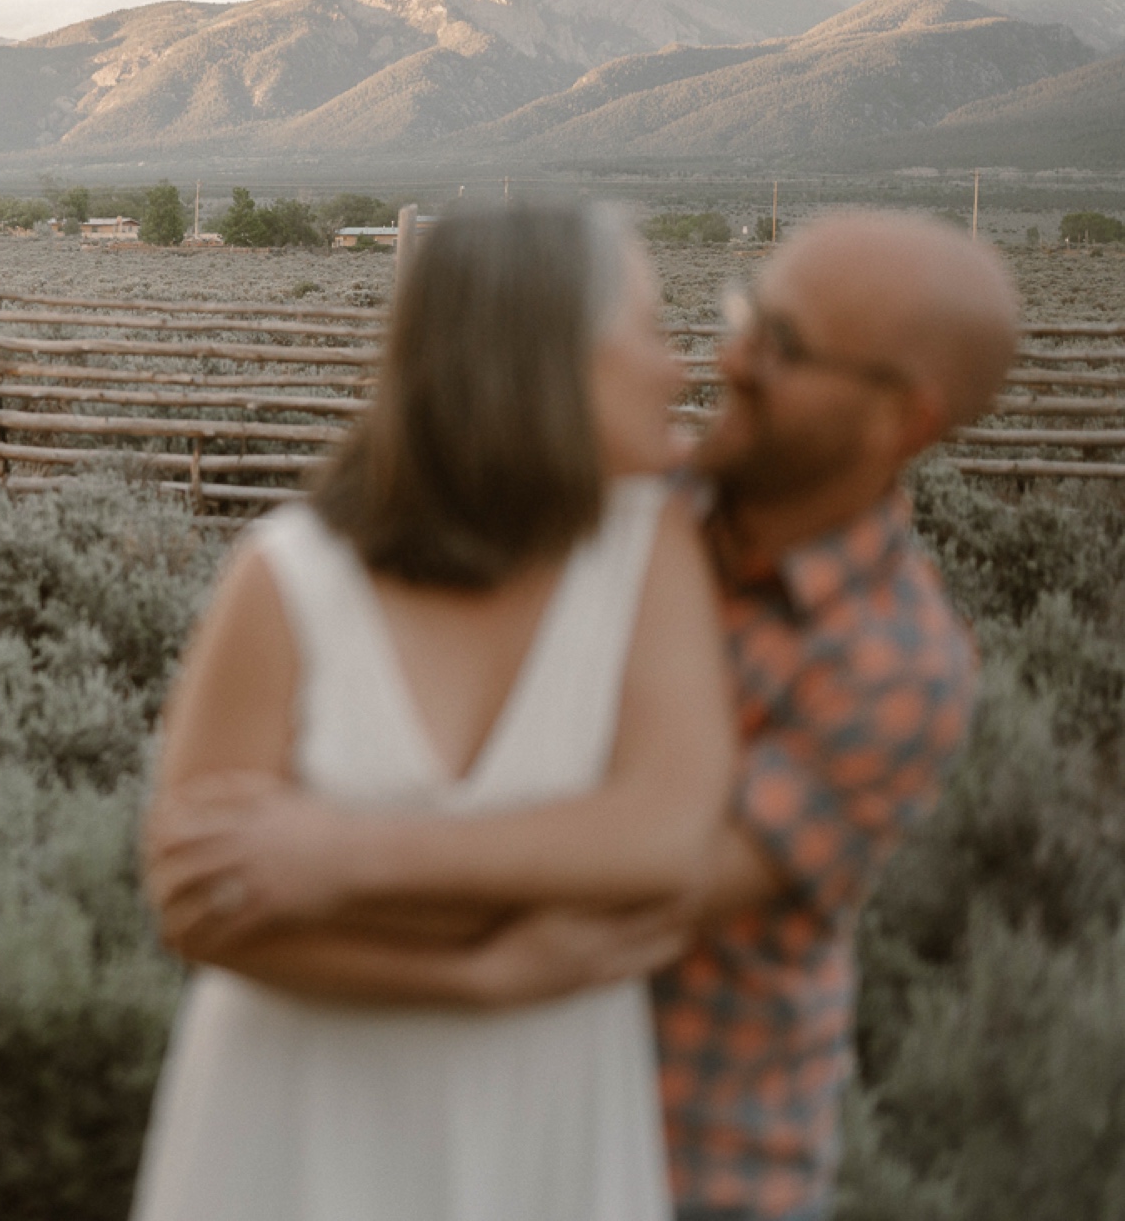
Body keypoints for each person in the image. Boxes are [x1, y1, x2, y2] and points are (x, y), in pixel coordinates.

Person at [147, 211, 1019, 1221]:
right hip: (353, 1093)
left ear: (897, 420)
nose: (717, 361)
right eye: (745, 314)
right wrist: (461, 953)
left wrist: (331, 854)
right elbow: (203, 894)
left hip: (697, 1144)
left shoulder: (893, 665)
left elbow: (640, 889)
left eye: (778, 346)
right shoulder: (634, 501)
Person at [130, 201, 735, 1221]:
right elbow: (198, 905)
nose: (677, 368)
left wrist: (336, 859)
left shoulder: (650, 550)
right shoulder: (284, 579)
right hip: (295, 1121)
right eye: (648, 330)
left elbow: (666, 837)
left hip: (542, 1116)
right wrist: (487, 973)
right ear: (542, 360)